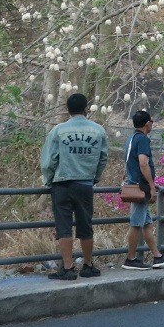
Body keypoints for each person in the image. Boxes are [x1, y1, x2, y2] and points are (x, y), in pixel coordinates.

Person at [39, 92, 109, 280]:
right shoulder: (98, 130)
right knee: (85, 225)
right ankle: (87, 265)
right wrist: (94, 177)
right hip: (85, 184)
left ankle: (68, 268)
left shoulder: (58, 130)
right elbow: (103, 158)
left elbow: (48, 161)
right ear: (86, 109)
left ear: (68, 110)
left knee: (64, 226)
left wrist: (48, 178)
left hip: (62, 184)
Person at [121, 110, 164, 270]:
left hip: (134, 182)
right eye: (151, 122)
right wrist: (151, 186)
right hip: (141, 186)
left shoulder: (132, 138)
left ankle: (157, 256)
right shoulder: (143, 139)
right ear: (147, 124)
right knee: (136, 223)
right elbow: (143, 163)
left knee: (146, 224)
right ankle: (130, 259)